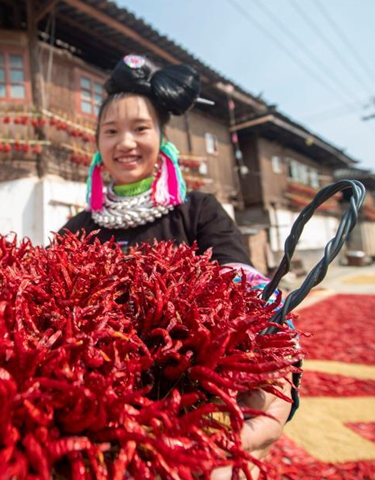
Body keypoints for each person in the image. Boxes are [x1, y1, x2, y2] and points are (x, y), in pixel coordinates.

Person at [61, 54, 298, 478]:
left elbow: (247, 293)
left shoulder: (198, 213)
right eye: (110, 131)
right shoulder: (75, 230)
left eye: (140, 128)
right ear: (96, 143)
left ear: (163, 137)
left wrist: (278, 365)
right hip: (98, 412)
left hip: (194, 407)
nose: (125, 143)